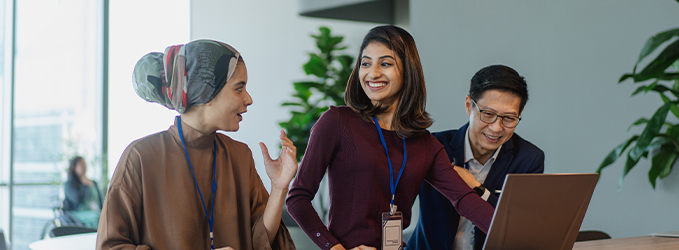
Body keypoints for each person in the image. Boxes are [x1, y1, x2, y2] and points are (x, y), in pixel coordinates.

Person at [286, 25, 495, 250]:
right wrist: (335, 248)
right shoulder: (336, 122)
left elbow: (465, 200)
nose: (372, 73)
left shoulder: (425, 144)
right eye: (365, 63)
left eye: (385, 63)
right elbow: (297, 198)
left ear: (408, 70)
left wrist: (520, 235)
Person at [96, 40, 297, 250]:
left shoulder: (240, 156)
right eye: (239, 88)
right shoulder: (139, 158)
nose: (248, 99)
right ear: (206, 92)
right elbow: (110, 246)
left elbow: (260, 241)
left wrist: (279, 188)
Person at [407, 65, 545, 250]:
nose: (496, 128)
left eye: (509, 118)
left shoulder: (529, 159)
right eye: (488, 114)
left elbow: (521, 226)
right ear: (468, 105)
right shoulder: (433, 147)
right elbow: (394, 200)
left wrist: (477, 187)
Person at [63, 156, 104, 228]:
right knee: (97, 217)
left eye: (84, 164)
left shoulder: (93, 182)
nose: (83, 166)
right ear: (74, 167)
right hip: (76, 213)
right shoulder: (69, 184)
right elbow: (77, 200)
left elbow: (100, 200)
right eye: (81, 164)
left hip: (94, 211)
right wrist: (84, 185)